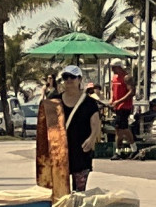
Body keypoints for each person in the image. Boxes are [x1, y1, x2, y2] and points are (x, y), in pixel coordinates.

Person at [53, 64, 104, 192]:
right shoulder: (55, 101)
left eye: (73, 77)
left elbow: (96, 122)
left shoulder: (89, 102)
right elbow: (48, 125)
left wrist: (92, 138)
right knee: (60, 192)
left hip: (81, 150)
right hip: (61, 151)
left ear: (79, 79)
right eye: (66, 77)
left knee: (79, 191)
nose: (69, 80)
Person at [109, 62, 135, 150]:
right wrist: (112, 99)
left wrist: (119, 101)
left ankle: (132, 148)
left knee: (122, 128)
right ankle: (119, 150)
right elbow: (113, 89)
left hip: (125, 107)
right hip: (117, 107)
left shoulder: (127, 77)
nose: (112, 70)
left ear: (119, 67)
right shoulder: (114, 78)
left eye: (113, 67)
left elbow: (132, 92)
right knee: (118, 129)